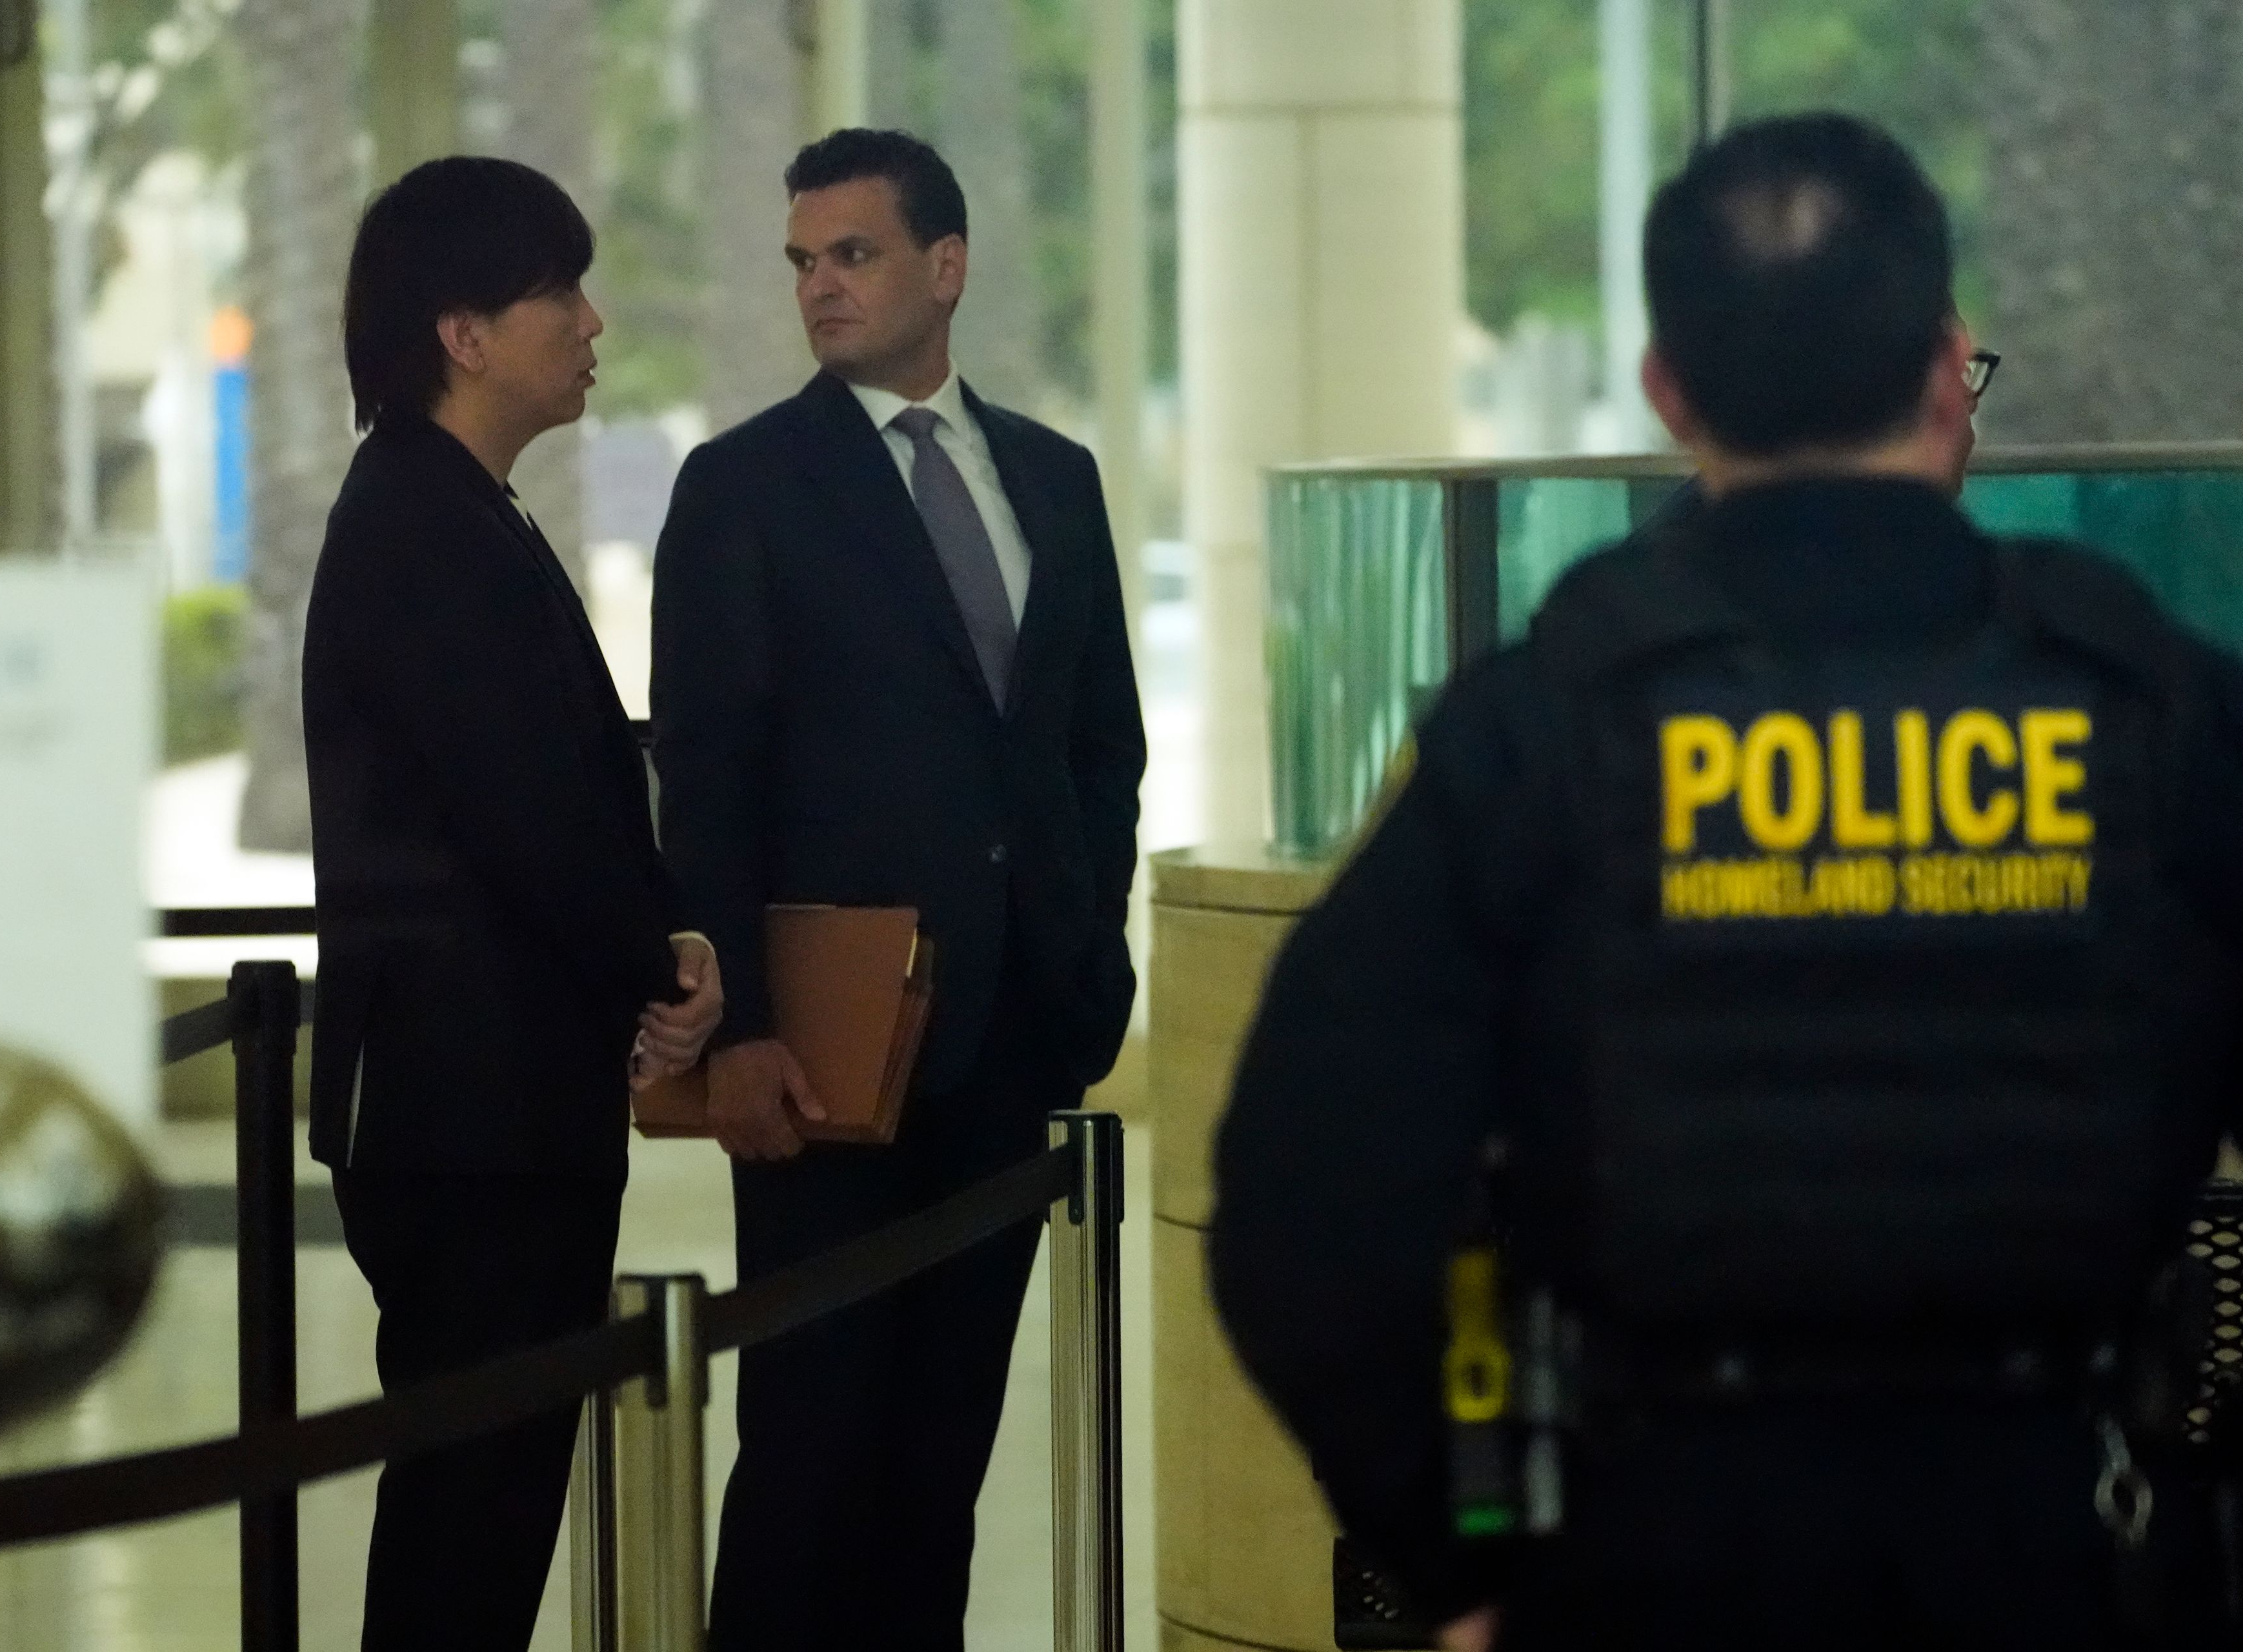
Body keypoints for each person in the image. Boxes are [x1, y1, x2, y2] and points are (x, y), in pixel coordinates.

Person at [1211, 112, 2243, 1652]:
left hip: (1647, 1559)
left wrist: (1463, 1553)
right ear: (1948, 361)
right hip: (2060, 1549)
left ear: (1669, 389)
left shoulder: (1547, 719)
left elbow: (1310, 1209)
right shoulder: (2150, 704)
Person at [650, 128, 1146, 1650]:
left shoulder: (1054, 482)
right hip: (824, 1059)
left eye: (851, 254)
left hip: (1010, 1046)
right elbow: (708, 777)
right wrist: (731, 1030)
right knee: (809, 1457)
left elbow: (1098, 751)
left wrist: (1087, 964)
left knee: (942, 1468)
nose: (820, 286)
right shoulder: (742, 487)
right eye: (802, 260)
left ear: (948, 266)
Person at [301, 156, 722, 1651]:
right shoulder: (425, 526)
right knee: (466, 1522)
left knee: (483, 1512)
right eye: (558, 290)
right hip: (467, 1117)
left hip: (499, 1104)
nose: (593, 320)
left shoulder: (464, 513)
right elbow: (527, 806)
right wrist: (662, 959)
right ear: (463, 331)